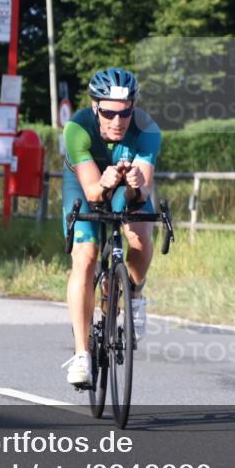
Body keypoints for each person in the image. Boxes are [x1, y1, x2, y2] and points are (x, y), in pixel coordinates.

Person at [60, 68, 161, 387]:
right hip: (85, 184)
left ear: (134, 108)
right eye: (108, 113)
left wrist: (134, 186)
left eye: (125, 113)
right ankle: (81, 355)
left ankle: (134, 297)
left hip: (125, 183)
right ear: (95, 107)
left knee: (140, 235)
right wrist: (103, 183)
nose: (117, 121)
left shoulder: (147, 129)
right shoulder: (76, 128)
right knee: (86, 257)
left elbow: (141, 193)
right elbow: (92, 193)